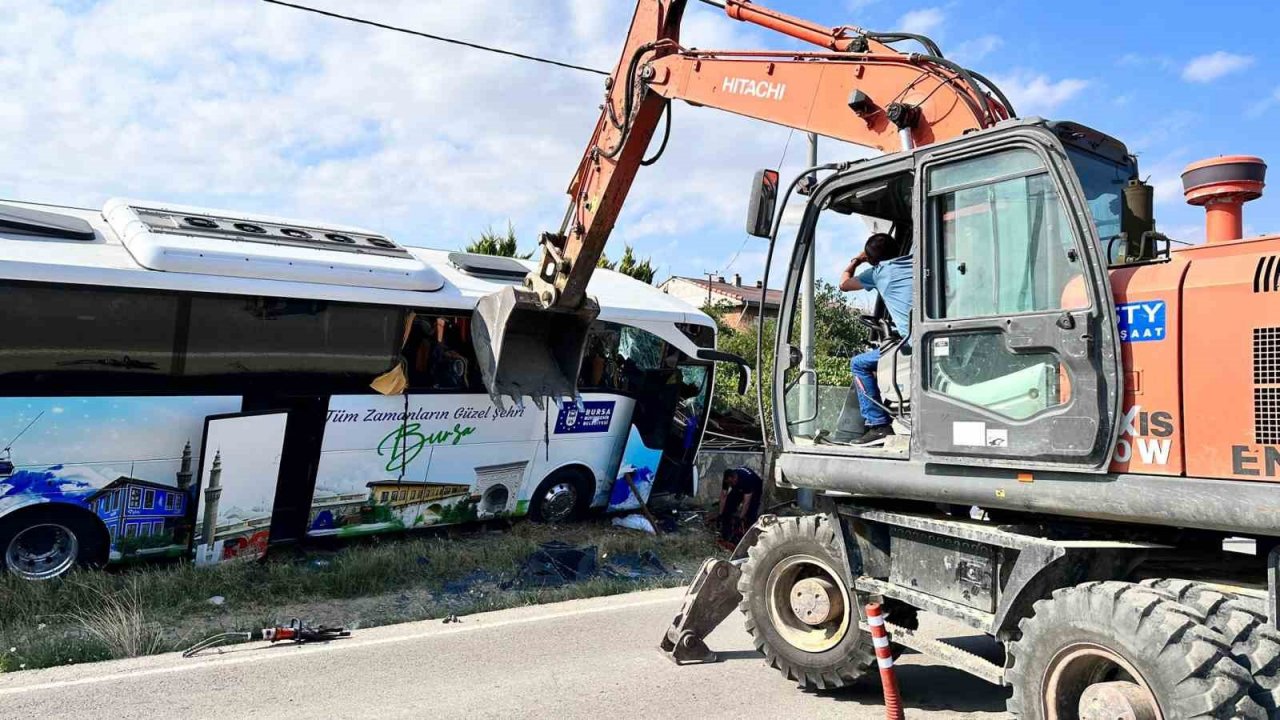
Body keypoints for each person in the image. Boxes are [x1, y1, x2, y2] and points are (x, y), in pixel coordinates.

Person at [839, 232, 913, 446]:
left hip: (911, 343)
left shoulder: (879, 272)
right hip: (932, 336)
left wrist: (856, 261)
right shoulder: (918, 263)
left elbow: (843, 284)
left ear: (872, 260)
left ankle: (878, 424)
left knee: (858, 364)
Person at [712, 466, 763, 543]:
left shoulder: (747, 480)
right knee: (728, 506)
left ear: (735, 478)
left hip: (755, 487)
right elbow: (723, 496)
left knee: (750, 513)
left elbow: (746, 502)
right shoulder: (728, 478)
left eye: (731, 483)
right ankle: (726, 533)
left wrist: (740, 518)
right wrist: (720, 514)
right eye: (729, 483)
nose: (730, 484)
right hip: (740, 487)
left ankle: (748, 537)